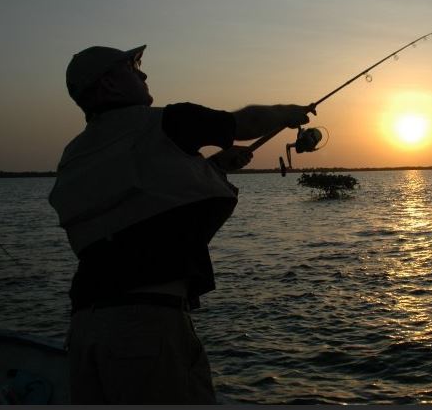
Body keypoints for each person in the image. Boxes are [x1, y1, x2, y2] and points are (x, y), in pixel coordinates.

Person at [48, 44, 314, 404]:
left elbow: (139, 204)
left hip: (84, 333)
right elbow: (246, 123)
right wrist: (289, 113)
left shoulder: (74, 155)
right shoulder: (168, 121)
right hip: (145, 330)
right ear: (108, 85)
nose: (143, 73)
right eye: (132, 66)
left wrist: (213, 167)